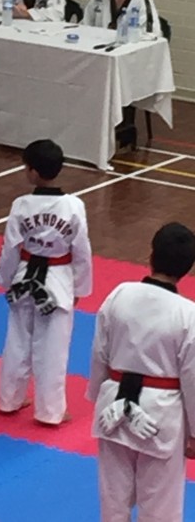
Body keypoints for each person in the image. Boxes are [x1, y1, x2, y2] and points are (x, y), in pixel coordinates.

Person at [87, 222, 195, 522]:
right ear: (188, 268)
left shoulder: (119, 294)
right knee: (160, 507)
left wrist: (97, 395)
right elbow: (192, 378)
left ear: (151, 255)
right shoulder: (188, 315)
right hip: (161, 415)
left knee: (113, 501)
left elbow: (100, 352)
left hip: (113, 408)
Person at [0, 139, 92, 425]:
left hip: (24, 279)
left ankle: (9, 399)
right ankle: (50, 412)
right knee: (53, 350)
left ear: (32, 172)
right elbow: (81, 249)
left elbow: (10, 247)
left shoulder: (21, 205)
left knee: (17, 342)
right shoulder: (74, 206)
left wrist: (5, 278)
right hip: (58, 284)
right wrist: (80, 286)